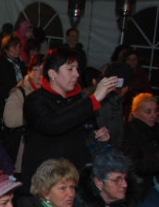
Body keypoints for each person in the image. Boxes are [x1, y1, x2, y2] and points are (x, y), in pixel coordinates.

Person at [21, 46, 120, 189]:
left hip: (72, 180)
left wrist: (96, 135)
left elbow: (78, 134)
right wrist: (94, 99)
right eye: (70, 69)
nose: (77, 74)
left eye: (77, 69)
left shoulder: (77, 101)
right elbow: (53, 124)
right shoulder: (35, 100)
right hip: (45, 184)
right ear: (52, 73)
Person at [2, 53, 44, 173]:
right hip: (23, 153)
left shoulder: (49, 93)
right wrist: (38, 115)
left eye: (44, 70)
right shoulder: (20, 92)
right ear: (29, 71)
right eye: (37, 69)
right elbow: (9, 119)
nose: (40, 74)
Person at [0, 35, 26, 124]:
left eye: (19, 47)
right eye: (14, 47)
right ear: (6, 49)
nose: (18, 50)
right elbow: (0, 87)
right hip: (7, 102)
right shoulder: (1, 65)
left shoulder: (19, 64)